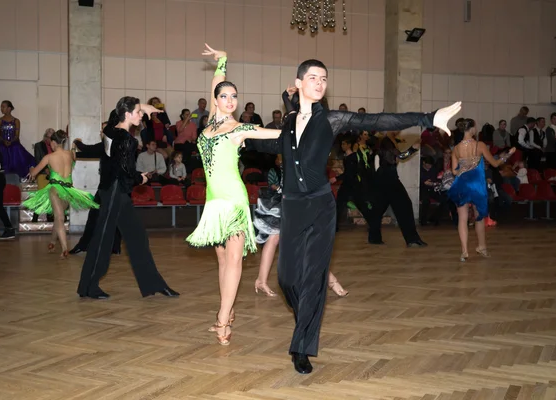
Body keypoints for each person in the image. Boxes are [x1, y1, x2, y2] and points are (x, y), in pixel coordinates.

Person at [238, 58, 460, 374]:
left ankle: (301, 347)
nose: (319, 82)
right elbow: (273, 139)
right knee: (287, 278)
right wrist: (239, 135)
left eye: (323, 78)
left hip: (320, 207)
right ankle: (308, 316)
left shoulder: (331, 120)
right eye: (312, 77)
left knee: (314, 278)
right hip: (292, 207)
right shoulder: (286, 122)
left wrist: (429, 117)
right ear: (299, 82)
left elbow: (380, 121)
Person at [186, 44, 283, 346]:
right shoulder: (212, 123)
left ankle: (222, 319)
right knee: (222, 262)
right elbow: (216, 83)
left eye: (234, 97)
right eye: (224, 96)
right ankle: (226, 313)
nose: (229, 100)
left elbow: (278, 135)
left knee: (234, 260)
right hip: (213, 203)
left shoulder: (240, 128)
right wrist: (222, 61)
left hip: (234, 202)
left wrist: (301, 124)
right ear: (216, 102)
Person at [77, 98, 179, 300]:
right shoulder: (127, 140)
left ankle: (153, 284)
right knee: (103, 239)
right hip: (115, 191)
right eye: (138, 112)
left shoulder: (110, 131)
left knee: (137, 237)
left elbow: (118, 115)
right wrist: (139, 178)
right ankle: (89, 286)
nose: (141, 116)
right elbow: (125, 170)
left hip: (114, 192)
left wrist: (147, 107)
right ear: (127, 115)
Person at [253, 154, 347, 298]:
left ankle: (261, 280)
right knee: (281, 239)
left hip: (300, 200)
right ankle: (331, 281)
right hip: (290, 200)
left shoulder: (305, 148)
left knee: (304, 243)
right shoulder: (293, 146)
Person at [24, 131, 99, 259]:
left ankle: (64, 249)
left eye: (51, 143)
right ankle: (53, 242)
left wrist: (31, 169)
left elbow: (34, 173)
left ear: (53, 143)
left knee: (59, 218)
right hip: (69, 190)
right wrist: (74, 145)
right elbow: (74, 154)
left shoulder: (49, 157)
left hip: (55, 189)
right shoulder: (70, 154)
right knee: (59, 218)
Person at [448, 119, 515, 261]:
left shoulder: (457, 148)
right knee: (479, 217)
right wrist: (508, 155)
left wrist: (464, 167)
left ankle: (464, 251)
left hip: (462, 184)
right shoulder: (480, 145)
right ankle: (481, 247)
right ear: (472, 129)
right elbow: (495, 163)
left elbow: (454, 172)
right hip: (476, 185)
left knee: (462, 218)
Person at [69, 120, 121, 255]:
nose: (101, 132)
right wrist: (74, 154)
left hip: (109, 188)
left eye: (104, 130)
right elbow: (89, 153)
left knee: (95, 216)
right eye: (102, 130)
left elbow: (87, 149)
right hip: (111, 187)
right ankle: (114, 247)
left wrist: (76, 142)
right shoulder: (111, 146)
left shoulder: (108, 145)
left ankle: (84, 244)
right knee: (112, 217)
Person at [0, 100, 36, 177]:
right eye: (1, 107)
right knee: (1, 149)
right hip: (2, 143)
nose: (1, 108)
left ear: (9, 108)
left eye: (3, 106)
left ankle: (20, 175)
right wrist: (4, 141)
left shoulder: (16, 121)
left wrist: (11, 141)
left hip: (13, 142)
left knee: (16, 149)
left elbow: (17, 135)